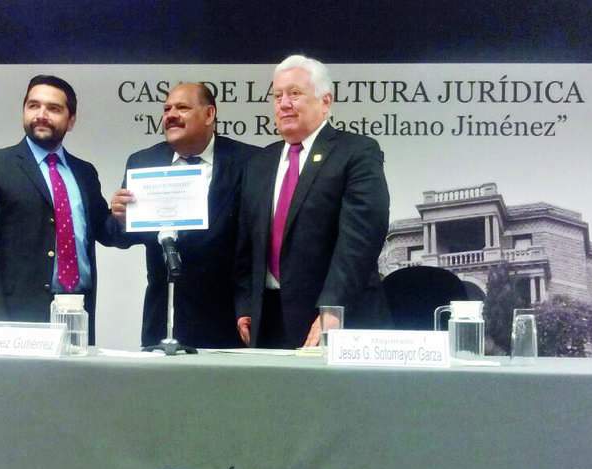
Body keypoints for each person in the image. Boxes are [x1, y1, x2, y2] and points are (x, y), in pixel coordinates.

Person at [235, 55, 391, 349]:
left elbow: (361, 240)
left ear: (325, 101)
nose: (284, 104)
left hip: (333, 319)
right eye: (277, 96)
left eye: (295, 93)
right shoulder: (259, 164)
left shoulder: (357, 152)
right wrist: (245, 303)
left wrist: (333, 308)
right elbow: (246, 244)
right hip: (267, 322)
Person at [0, 75, 114, 342]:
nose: (41, 115)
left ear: (71, 120)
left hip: (78, 311)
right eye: (33, 106)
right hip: (17, 318)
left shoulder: (84, 172)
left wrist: (126, 215)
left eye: (53, 108)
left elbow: (107, 232)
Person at [109, 83, 258, 349]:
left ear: (209, 114)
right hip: (163, 318)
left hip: (227, 319)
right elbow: (121, 238)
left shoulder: (249, 162)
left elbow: (256, 242)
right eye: (167, 109)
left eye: (182, 108)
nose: (171, 115)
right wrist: (121, 218)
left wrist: (247, 306)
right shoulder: (143, 161)